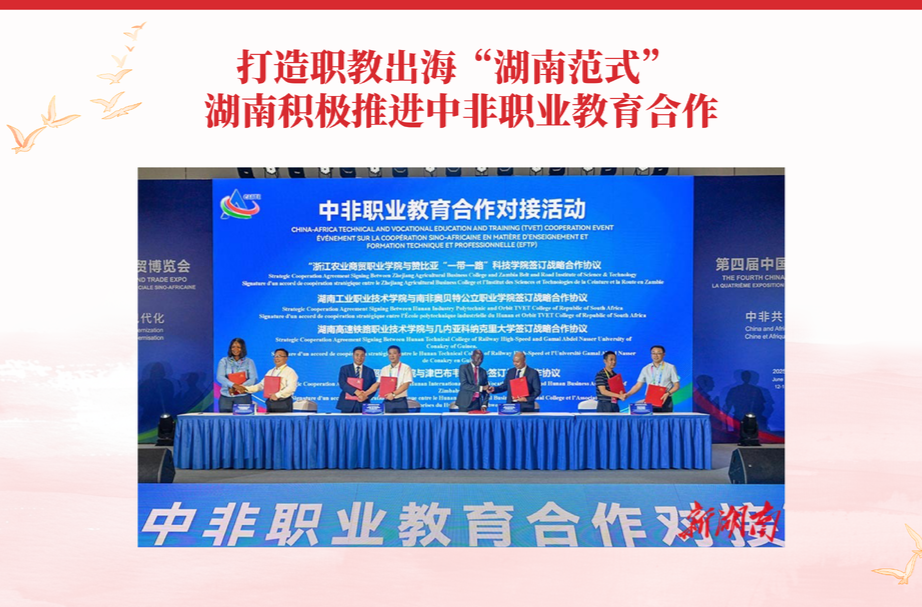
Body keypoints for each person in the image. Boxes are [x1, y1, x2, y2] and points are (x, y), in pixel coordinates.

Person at [234, 348, 298, 413]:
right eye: (275, 356)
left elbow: (291, 388)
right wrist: (245, 389)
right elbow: (261, 386)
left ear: (286, 358)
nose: (276, 358)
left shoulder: (290, 372)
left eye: (279, 356)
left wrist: (277, 395)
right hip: (270, 402)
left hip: (283, 403)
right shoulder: (270, 372)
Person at [623, 345, 680, 413]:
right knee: (650, 419)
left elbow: (677, 385)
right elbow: (638, 385)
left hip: (665, 399)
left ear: (663, 355)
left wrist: (668, 393)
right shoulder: (646, 368)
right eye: (653, 353)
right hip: (650, 399)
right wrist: (628, 394)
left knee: (665, 419)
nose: (656, 355)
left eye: (658, 353)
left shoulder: (670, 367)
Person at [367, 345, 413, 413]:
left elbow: (406, 385)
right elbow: (378, 384)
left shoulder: (406, 368)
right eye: (390, 353)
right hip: (388, 401)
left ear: (399, 354)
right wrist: (366, 393)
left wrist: (393, 394)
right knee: (385, 419)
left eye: (394, 353)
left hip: (400, 401)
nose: (392, 356)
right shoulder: (384, 369)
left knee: (401, 420)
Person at [216, 337, 257, 413]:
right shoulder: (224, 361)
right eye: (233, 347)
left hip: (243, 396)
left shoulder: (249, 362)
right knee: (225, 419)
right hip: (226, 396)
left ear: (242, 348)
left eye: (238, 347)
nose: (235, 349)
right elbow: (220, 377)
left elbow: (253, 379)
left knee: (243, 419)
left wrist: (239, 387)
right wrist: (233, 385)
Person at [336, 346, 378, 413]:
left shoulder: (370, 371)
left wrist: (366, 396)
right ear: (353, 355)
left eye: (362, 355)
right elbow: (342, 384)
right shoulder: (345, 369)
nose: (359, 358)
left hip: (363, 403)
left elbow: (374, 387)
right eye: (357, 355)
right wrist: (356, 391)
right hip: (347, 404)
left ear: (365, 357)